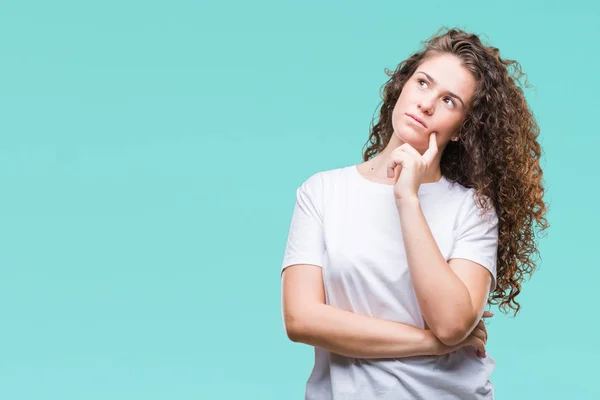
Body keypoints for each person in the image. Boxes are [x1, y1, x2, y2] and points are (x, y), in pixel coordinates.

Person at [280, 27, 549, 400]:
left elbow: (452, 324)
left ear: (461, 129)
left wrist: (408, 198)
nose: (426, 103)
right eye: (423, 83)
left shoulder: (473, 210)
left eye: (449, 101)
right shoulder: (321, 192)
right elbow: (301, 319)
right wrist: (429, 343)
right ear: (403, 85)